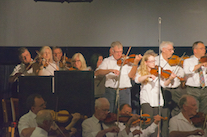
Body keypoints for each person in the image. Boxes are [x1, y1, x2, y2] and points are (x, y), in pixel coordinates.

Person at [134, 49, 176, 137]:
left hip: (157, 101)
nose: (154, 63)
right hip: (146, 99)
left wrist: (170, 79)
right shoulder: (140, 70)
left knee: (156, 124)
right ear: (145, 62)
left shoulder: (158, 71)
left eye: (154, 61)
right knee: (148, 121)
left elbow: (164, 84)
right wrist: (148, 75)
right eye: (151, 61)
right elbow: (137, 80)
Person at [95, 41, 142, 113]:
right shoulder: (107, 61)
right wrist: (110, 70)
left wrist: (135, 63)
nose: (119, 54)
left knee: (125, 113)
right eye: (117, 52)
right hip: (110, 91)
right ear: (112, 51)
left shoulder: (127, 60)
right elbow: (98, 72)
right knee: (109, 112)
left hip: (124, 91)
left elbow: (131, 75)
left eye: (121, 51)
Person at [155, 41, 185, 116]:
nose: (173, 51)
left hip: (177, 89)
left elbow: (182, 74)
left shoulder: (175, 60)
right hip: (165, 90)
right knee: (165, 113)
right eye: (170, 50)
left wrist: (180, 66)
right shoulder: (156, 61)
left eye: (173, 49)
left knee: (179, 111)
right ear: (163, 50)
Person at [183, 41, 207, 114]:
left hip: (205, 89)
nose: (204, 50)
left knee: (204, 113)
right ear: (195, 50)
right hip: (192, 90)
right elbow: (187, 71)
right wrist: (200, 64)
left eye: (204, 48)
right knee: (193, 112)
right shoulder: (188, 61)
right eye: (201, 48)